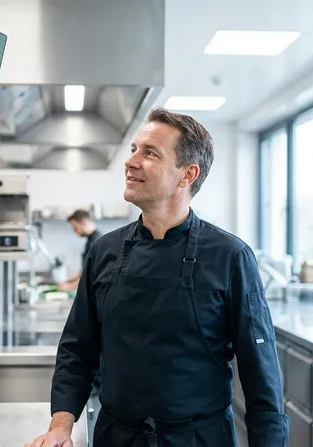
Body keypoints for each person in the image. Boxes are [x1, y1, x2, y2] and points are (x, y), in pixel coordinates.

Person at [25, 107, 289, 447]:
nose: (131, 161)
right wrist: (61, 426)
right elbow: (78, 350)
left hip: (198, 440)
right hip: (116, 438)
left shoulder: (230, 256)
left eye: (149, 153)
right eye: (134, 149)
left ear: (187, 174)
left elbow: (261, 373)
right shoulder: (104, 251)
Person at [57, 209, 102, 292]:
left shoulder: (97, 241)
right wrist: (69, 281)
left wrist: (70, 286)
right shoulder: (90, 240)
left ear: (84, 222)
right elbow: (87, 270)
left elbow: (94, 276)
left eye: (75, 227)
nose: (74, 231)